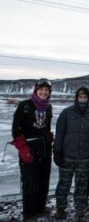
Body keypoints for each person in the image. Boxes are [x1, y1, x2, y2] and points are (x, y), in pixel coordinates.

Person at [53, 86, 89, 219]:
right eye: (80, 97)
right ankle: (60, 208)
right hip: (67, 156)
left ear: (88, 98)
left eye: (85, 97)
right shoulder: (66, 113)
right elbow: (59, 134)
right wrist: (57, 151)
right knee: (63, 185)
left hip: (85, 158)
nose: (82, 99)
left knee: (81, 186)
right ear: (76, 98)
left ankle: (80, 208)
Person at [12, 78, 53, 221]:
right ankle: (29, 214)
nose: (43, 92)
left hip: (45, 149)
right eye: (41, 89)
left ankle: (40, 208)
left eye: (46, 90)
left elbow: (46, 126)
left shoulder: (48, 107)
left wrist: (49, 136)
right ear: (36, 90)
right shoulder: (25, 106)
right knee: (30, 183)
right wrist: (23, 148)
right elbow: (16, 129)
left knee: (43, 181)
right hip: (29, 149)